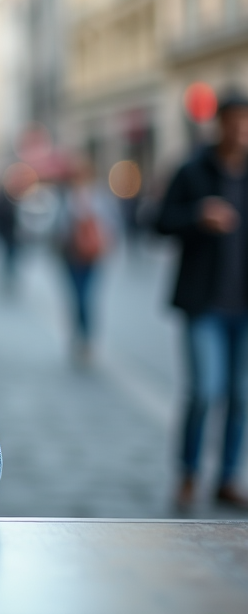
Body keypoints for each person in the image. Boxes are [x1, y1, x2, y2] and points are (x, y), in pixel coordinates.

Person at [157, 93, 248, 511]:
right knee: (204, 391)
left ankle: (227, 477)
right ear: (219, 124)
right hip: (203, 304)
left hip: (242, 307)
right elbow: (155, 222)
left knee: (241, 395)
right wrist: (197, 216)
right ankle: (189, 474)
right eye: (234, 121)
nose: (240, 130)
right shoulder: (193, 171)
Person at [57, 160, 117, 365]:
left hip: (92, 256)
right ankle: (80, 335)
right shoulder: (67, 197)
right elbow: (60, 226)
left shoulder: (99, 197)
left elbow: (111, 224)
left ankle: (86, 337)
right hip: (71, 256)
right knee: (76, 296)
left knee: (86, 297)